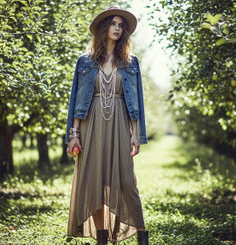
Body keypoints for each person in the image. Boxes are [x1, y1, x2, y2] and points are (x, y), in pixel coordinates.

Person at [65, 6, 149, 245]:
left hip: (121, 123)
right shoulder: (85, 61)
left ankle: (142, 236)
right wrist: (74, 135)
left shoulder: (131, 63)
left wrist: (135, 134)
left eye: (121, 25)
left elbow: (137, 101)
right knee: (95, 182)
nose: (117, 28)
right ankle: (101, 238)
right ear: (104, 28)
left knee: (126, 182)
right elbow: (77, 101)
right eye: (113, 23)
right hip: (91, 125)